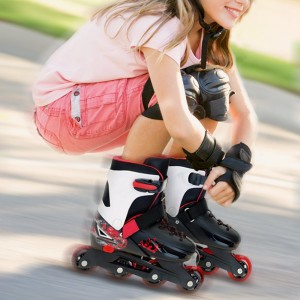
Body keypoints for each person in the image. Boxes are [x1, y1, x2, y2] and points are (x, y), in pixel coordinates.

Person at [32, 0, 257, 287]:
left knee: (212, 85)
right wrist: (215, 161)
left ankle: (179, 210)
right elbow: (175, 116)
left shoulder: (209, 37)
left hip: (98, 114)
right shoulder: (163, 24)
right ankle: (116, 221)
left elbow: (245, 114)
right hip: (62, 114)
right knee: (181, 89)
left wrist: (234, 169)